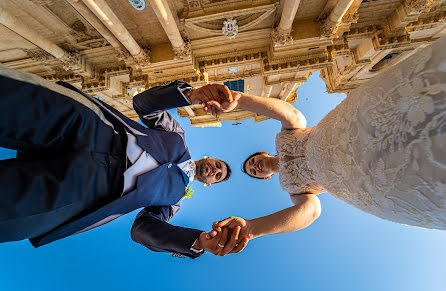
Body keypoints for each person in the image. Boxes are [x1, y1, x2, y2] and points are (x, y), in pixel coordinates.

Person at [206, 36, 446, 247]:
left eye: (254, 162)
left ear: (262, 153)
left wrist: (243, 101)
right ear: (266, 177)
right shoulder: (294, 189)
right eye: (254, 172)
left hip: (349, 127)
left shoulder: (285, 136)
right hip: (361, 178)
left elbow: (291, 115)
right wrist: (251, 228)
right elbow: (310, 212)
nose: (256, 167)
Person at [0, 65, 247, 258]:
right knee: (12, 100)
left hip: (85, 192)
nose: (215, 170)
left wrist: (198, 241)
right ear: (208, 157)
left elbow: (142, 230)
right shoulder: (177, 136)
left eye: (218, 175)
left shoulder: (174, 202)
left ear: (208, 184)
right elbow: (144, 106)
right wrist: (191, 95)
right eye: (218, 165)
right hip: (92, 126)